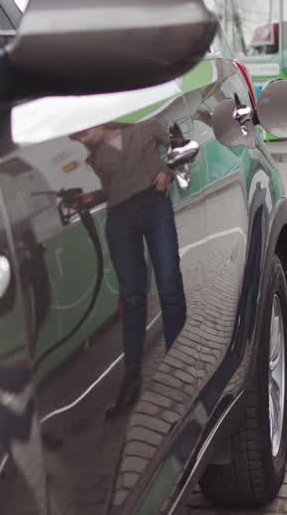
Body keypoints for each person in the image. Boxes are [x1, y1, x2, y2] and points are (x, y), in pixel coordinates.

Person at [71, 120, 188, 419]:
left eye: (83, 132)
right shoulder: (94, 156)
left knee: (169, 284)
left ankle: (175, 369)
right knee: (133, 298)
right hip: (120, 218)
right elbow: (111, 188)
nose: (83, 140)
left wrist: (168, 171)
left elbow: (181, 145)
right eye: (77, 137)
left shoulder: (146, 126)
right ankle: (132, 376)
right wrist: (92, 197)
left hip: (154, 206)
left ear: (97, 119)